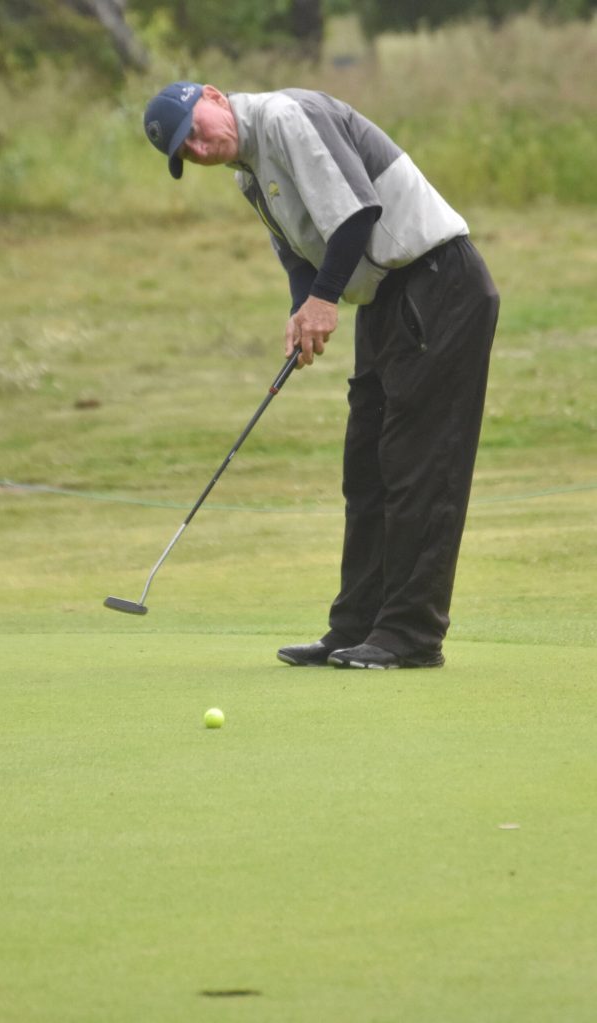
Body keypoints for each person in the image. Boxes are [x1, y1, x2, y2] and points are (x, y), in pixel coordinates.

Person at [143, 82, 499, 670]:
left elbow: (357, 213)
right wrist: (300, 307)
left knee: (417, 467)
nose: (199, 150)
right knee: (366, 468)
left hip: (437, 282)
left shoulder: (285, 116)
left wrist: (324, 300)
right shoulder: (249, 174)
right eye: (186, 153)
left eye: (195, 132)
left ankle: (411, 634)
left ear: (213, 96)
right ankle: (356, 626)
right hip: (386, 299)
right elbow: (297, 255)